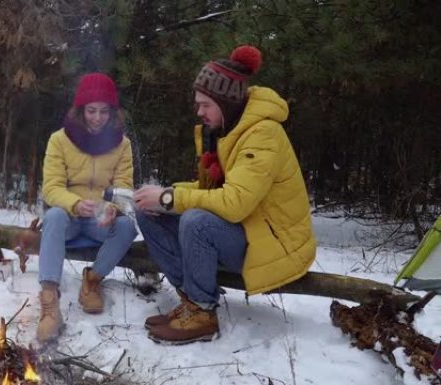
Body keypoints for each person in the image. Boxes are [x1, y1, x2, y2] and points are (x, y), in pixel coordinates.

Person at [133, 45, 316, 345]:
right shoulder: (230, 130)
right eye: (198, 104)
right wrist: (163, 195)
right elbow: (211, 192)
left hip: (276, 243)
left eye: (205, 104)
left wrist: (170, 198)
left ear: (226, 102)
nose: (199, 112)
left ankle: (202, 313)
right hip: (247, 231)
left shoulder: (263, 134)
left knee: (196, 221)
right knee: (149, 212)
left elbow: (234, 204)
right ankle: (191, 301)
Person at [36, 73, 138, 343]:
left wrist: (114, 208)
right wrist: (75, 203)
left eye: (104, 111)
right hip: (68, 219)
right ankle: (49, 303)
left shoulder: (122, 144)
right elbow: (51, 188)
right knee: (55, 214)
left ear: (112, 113)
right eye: (91, 110)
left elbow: (124, 188)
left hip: (98, 224)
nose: (97, 117)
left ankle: (92, 280)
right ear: (81, 110)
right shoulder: (59, 140)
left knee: (128, 226)